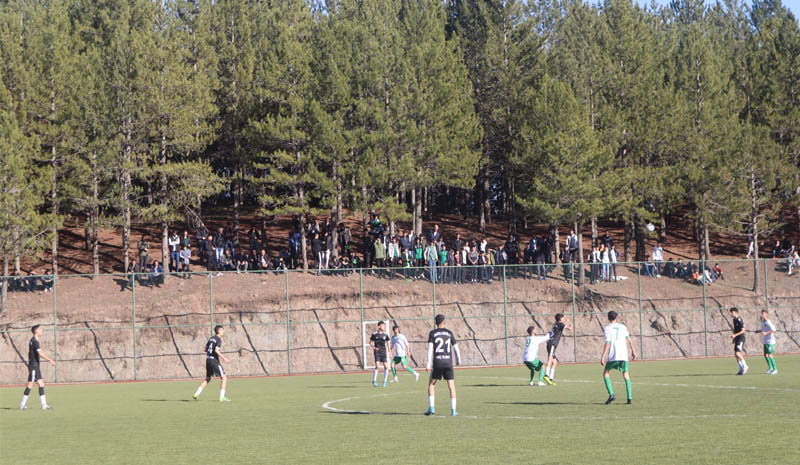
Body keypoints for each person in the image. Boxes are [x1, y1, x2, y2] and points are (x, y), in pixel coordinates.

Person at [425, 314, 461, 416]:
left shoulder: (432, 333)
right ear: (444, 321)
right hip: (448, 362)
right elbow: (456, 348)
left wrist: (428, 364)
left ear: (436, 322)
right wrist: (459, 360)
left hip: (437, 362)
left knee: (432, 384)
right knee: (451, 386)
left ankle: (431, 408)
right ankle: (453, 410)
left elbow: (430, 350)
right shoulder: (449, 333)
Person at [600, 311, 636, 405]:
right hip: (624, 355)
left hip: (613, 355)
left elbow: (607, 343)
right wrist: (633, 350)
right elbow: (629, 339)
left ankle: (611, 394)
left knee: (606, 373)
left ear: (608, 318)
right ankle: (629, 398)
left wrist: (603, 356)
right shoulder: (623, 327)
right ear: (617, 317)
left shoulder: (607, 328)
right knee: (626, 374)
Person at [20, 324, 55, 410]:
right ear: (36, 331)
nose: (41, 330)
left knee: (41, 384)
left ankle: (44, 405)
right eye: (40, 329)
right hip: (34, 366)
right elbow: (40, 353)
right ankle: (22, 405)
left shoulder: (33, 340)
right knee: (30, 384)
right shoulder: (35, 341)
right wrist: (50, 359)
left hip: (35, 366)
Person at [193, 325, 231, 402]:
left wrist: (210, 351)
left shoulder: (211, 338)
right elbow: (216, 350)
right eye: (223, 330)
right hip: (214, 361)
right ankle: (222, 397)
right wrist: (224, 358)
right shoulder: (218, 339)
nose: (223, 332)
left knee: (208, 378)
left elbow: (205, 349)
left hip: (208, 360)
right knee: (224, 377)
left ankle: (196, 394)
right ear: (219, 331)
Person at [543, 313, 572, 386]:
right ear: (560, 319)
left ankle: (551, 379)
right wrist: (569, 322)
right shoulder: (560, 324)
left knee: (555, 362)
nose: (564, 318)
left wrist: (566, 320)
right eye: (563, 317)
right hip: (552, 344)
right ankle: (546, 375)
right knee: (550, 359)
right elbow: (570, 328)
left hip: (551, 343)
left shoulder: (556, 324)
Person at [369, 321, 391, 387]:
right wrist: (374, 347)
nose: (384, 327)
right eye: (382, 325)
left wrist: (390, 351)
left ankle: (384, 382)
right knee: (377, 366)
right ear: (379, 326)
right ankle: (374, 381)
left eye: (384, 326)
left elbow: (388, 342)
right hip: (377, 352)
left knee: (386, 367)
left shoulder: (386, 334)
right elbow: (370, 342)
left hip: (383, 352)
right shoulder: (374, 334)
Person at [730, 307, 748, 375]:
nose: (731, 314)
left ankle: (745, 366)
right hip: (737, 338)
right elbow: (735, 330)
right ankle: (740, 369)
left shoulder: (739, 319)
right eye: (731, 312)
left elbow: (743, 330)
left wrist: (735, 335)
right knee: (736, 354)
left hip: (741, 338)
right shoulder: (734, 320)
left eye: (732, 312)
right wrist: (734, 338)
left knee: (738, 353)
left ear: (736, 312)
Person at [760, 310, 778, 375]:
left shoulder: (768, 322)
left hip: (770, 342)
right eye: (761, 313)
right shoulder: (762, 322)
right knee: (765, 355)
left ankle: (775, 369)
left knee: (770, 355)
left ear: (766, 314)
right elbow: (763, 330)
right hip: (765, 341)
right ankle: (770, 368)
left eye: (763, 313)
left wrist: (766, 333)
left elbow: (774, 330)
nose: (762, 315)